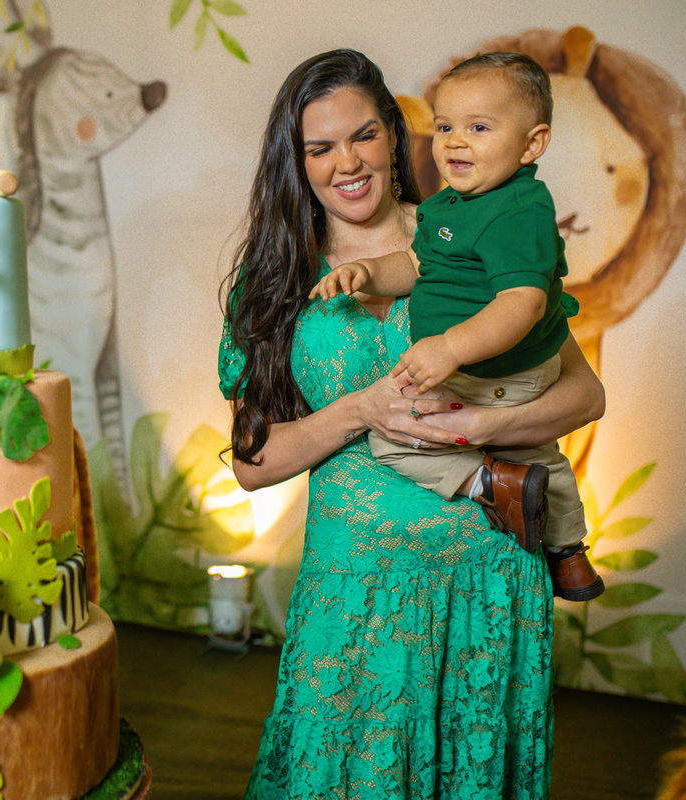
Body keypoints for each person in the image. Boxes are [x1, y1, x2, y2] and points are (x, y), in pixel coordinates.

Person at [218, 49, 605, 798]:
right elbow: (252, 464)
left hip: (488, 579)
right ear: (296, 161)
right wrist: (361, 409)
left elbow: (585, 396)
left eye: (364, 135)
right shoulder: (276, 277)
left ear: (396, 136)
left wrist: (473, 428)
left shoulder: (473, 230)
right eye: (320, 147)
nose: (347, 162)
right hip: (353, 590)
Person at [310, 52, 602, 602]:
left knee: (396, 440)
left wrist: (450, 347)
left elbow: (523, 303)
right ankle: (563, 549)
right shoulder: (450, 204)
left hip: (500, 372)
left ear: (532, 144)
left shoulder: (518, 211)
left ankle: (513, 502)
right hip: (478, 373)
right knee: (532, 458)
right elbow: (416, 264)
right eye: (445, 127)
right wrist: (368, 272)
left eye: (479, 128)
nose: (455, 142)